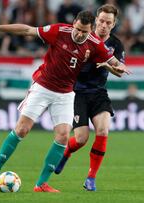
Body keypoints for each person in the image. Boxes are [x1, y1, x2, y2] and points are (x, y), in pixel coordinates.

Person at [0, 10, 130, 193]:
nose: (79, 34)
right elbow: (28, 30)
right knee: (22, 129)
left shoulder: (96, 44)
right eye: (77, 29)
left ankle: (41, 184)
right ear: (74, 23)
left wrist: (120, 66)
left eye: (84, 31)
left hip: (66, 93)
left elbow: (115, 63)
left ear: (90, 30)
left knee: (63, 136)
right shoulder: (60, 31)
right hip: (43, 86)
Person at [53, 4, 125, 191]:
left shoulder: (116, 44)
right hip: (78, 93)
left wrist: (108, 65)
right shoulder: (83, 38)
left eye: (108, 22)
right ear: (95, 20)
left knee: (103, 131)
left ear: (113, 24)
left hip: (99, 92)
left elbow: (120, 72)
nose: (103, 25)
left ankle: (91, 178)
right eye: (101, 21)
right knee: (81, 139)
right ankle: (66, 153)